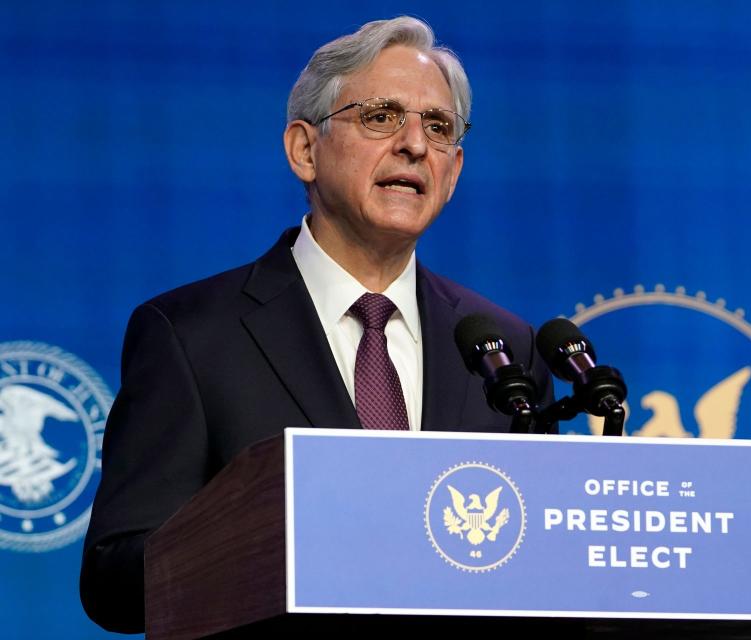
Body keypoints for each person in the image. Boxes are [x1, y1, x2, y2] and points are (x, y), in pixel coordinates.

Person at [79, 16, 553, 633]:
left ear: (454, 169)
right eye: (382, 116)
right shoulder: (190, 336)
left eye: (438, 128)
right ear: (305, 149)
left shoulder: (505, 348)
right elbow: (114, 582)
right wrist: (270, 540)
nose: (414, 144)